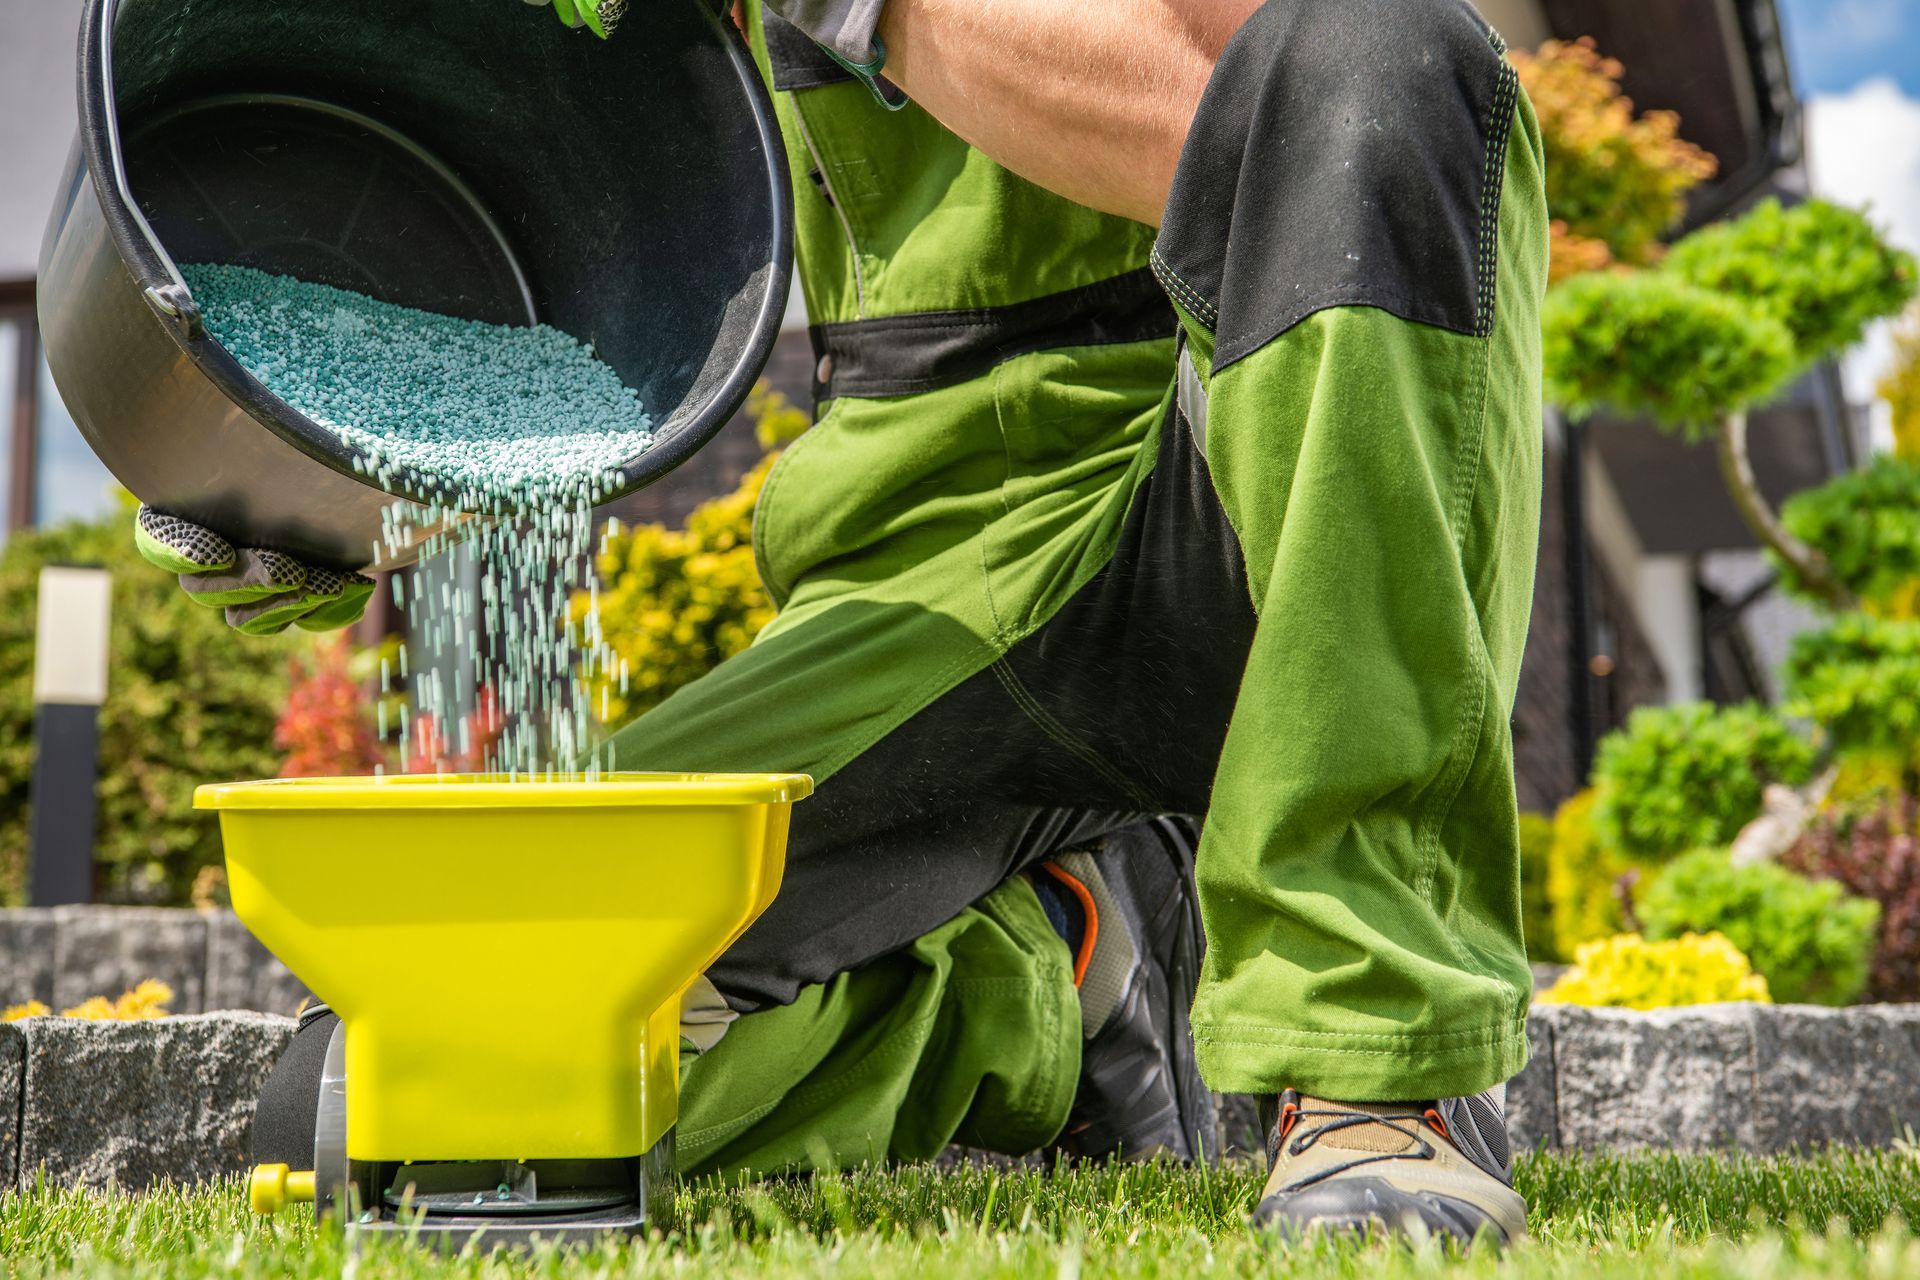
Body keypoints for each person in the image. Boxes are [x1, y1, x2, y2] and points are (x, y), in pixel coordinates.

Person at [149, 0, 1546, 1246]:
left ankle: (1381, 1072)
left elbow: (1260, 121)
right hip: (929, 567)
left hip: (1263, 502)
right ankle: (1051, 979)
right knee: (426, 1077)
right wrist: (332, 456)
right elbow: (564, 191)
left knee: (1385, 52)